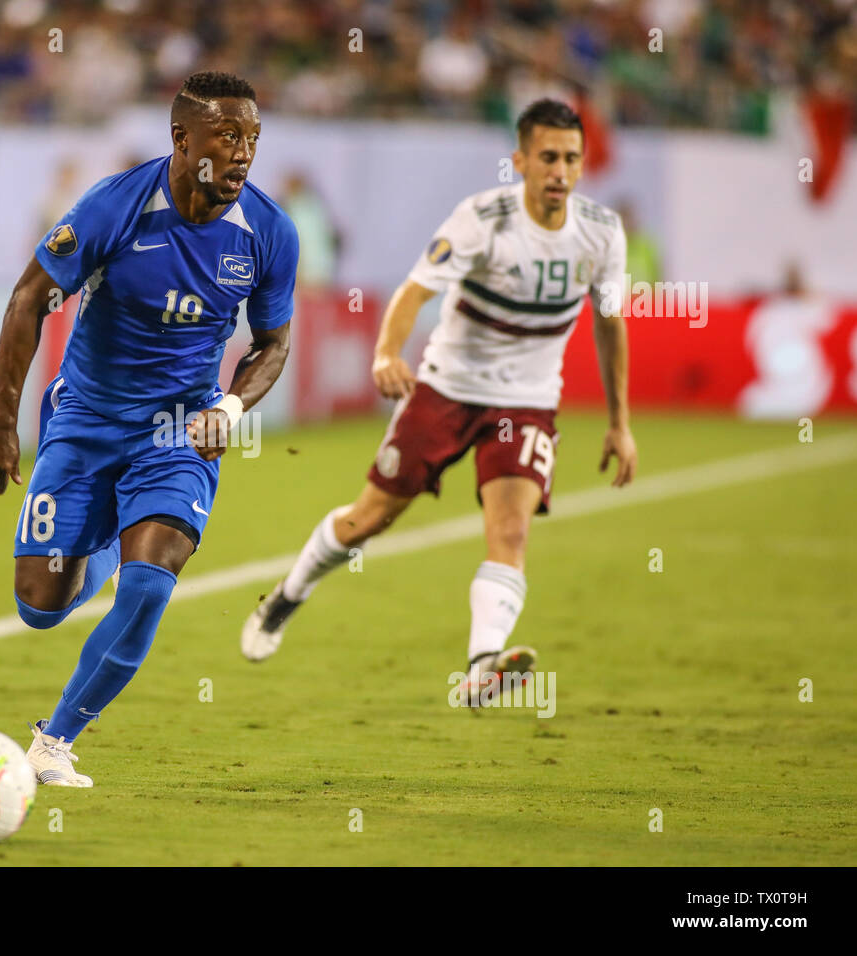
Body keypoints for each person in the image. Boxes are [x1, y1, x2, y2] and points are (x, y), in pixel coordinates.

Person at [240, 99, 638, 708]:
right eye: (549, 157)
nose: (561, 171)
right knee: (368, 520)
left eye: (572, 159)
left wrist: (619, 422)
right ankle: (287, 597)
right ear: (522, 161)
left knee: (510, 530)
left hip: (526, 402)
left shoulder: (602, 233)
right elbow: (414, 290)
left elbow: (611, 324)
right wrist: (385, 354)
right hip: (447, 389)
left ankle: (482, 664)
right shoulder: (482, 219)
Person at [0, 71, 298, 786]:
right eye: (227, 137)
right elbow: (30, 298)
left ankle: (54, 741)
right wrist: (3, 420)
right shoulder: (115, 207)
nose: (243, 154)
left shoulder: (269, 232)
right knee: (40, 605)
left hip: (180, 430)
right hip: (85, 420)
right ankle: (112, 550)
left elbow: (273, 343)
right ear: (182, 139)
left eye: (252, 139)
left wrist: (231, 409)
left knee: (152, 585)